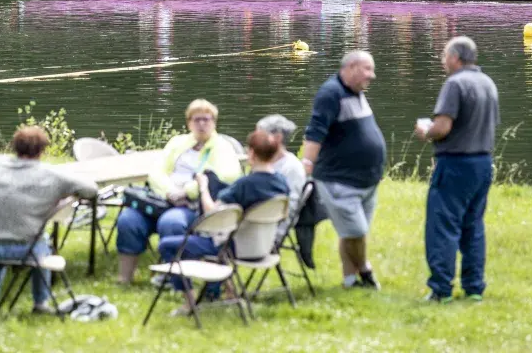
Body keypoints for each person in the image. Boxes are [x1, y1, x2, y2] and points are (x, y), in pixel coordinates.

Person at [0, 126, 98, 318]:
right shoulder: (51, 175)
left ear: (14, 147)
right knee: (43, 243)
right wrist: (66, 197)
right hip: (25, 249)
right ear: (42, 151)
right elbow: (91, 189)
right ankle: (40, 303)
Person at [156, 130, 289, 313]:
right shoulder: (282, 182)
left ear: (250, 153)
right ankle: (229, 291)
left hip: (234, 247)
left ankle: (190, 303)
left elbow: (212, 211)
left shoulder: (245, 185)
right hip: (265, 246)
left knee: (168, 245)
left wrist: (203, 187)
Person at [115, 99, 243, 284]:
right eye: (196, 119)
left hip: (191, 204)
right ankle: (124, 277)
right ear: (189, 122)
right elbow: (157, 171)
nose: (201, 124)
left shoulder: (222, 147)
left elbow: (227, 175)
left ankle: (173, 278)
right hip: (161, 199)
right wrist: (168, 191)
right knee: (128, 220)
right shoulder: (178, 143)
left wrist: (187, 191)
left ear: (213, 122)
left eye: (206, 119)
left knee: (171, 222)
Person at [414, 36, 499, 303]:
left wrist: (425, 131)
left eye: (444, 55)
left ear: (456, 58)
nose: (442, 60)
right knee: (473, 226)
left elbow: (443, 127)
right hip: (483, 162)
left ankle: (441, 289)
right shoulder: (488, 83)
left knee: (443, 225)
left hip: (456, 163)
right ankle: (474, 288)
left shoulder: (455, 83)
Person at [300, 51, 386, 289]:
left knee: (352, 234)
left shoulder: (356, 91)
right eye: (367, 69)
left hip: (365, 180)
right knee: (355, 232)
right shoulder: (331, 93)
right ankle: (365, 272)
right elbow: (315, 132)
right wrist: (306, 167)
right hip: (340, 180)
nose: (373, 76)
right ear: (350, 67)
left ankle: (350, 281)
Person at [255, 114, 306, 238]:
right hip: (256, 219)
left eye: (260, 136)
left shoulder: (292, 167)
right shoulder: (264, 162)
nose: (255, 141)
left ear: (277, 138)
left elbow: (290, 208)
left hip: (271, 228)